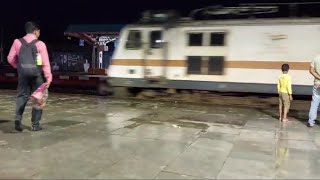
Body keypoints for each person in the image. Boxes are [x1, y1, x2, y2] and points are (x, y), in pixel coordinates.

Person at [7, 21, 52, 132]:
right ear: (35, 31)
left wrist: (18, 66)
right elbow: (45, 63)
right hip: (36, 74)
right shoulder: (40, 44)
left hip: (23, 74)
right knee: (39, 98)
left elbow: (10, 58)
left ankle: (18, 119)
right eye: (39, 31)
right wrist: (48, 77)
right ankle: (35, 125)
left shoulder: (17, 42)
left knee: (21, 96)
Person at [307, 55, 320, 127]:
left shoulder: (315, 59)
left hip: (317, 83)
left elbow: (311, 71)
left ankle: (311, 122)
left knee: (314, 103)